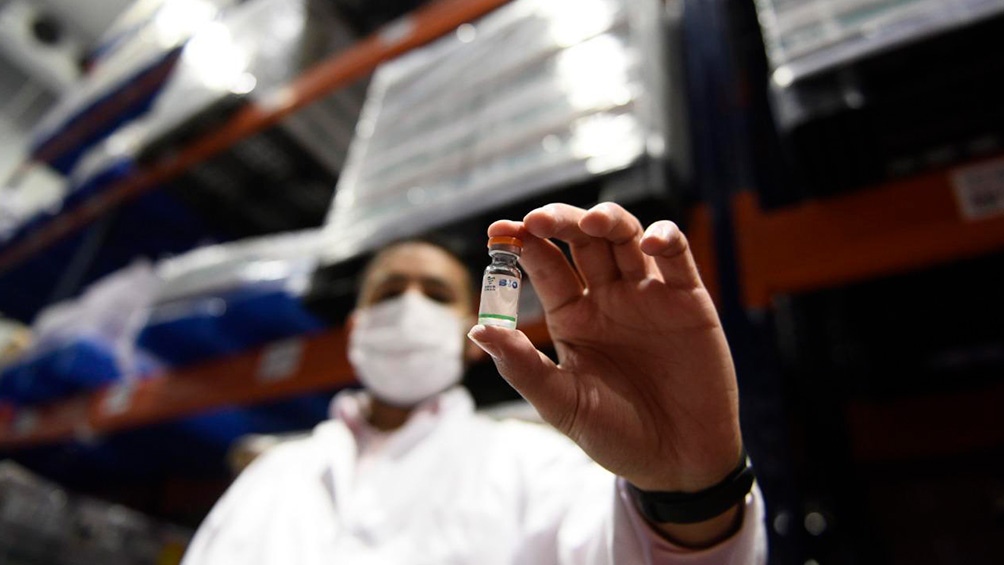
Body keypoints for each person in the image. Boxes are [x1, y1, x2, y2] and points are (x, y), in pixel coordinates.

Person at [181, 202, 767, 564]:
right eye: (389, 292)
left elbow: (636, 553)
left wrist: (690, 492)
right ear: (355, 328)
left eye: (436, 295)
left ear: (472, 332)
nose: (410, 307)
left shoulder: (533, 463)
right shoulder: (271, 476)